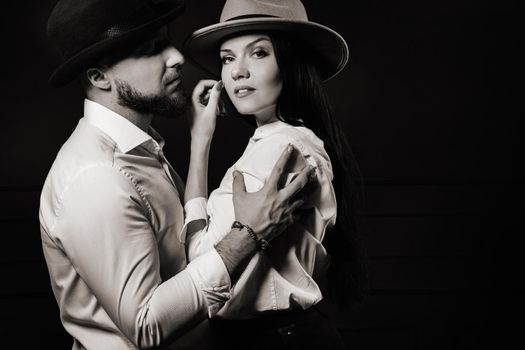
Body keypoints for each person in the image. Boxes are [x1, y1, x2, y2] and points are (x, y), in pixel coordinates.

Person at [39, 0, 315, 349]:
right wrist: (247, 235)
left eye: (168, 41)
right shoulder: (96, 177)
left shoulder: (140, 150)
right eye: (153, 49)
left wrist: (200, 141)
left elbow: (184, 255)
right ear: (98, 77)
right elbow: (146, 326)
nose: (177, 57)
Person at [182, 0, 367, 349]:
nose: (238, 71)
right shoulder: (294, 140)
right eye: (227, 58)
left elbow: (202, 266)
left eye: (258, 53)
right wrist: (200, 137)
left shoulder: (279, 151)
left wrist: (199, 144)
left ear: (290, 61)